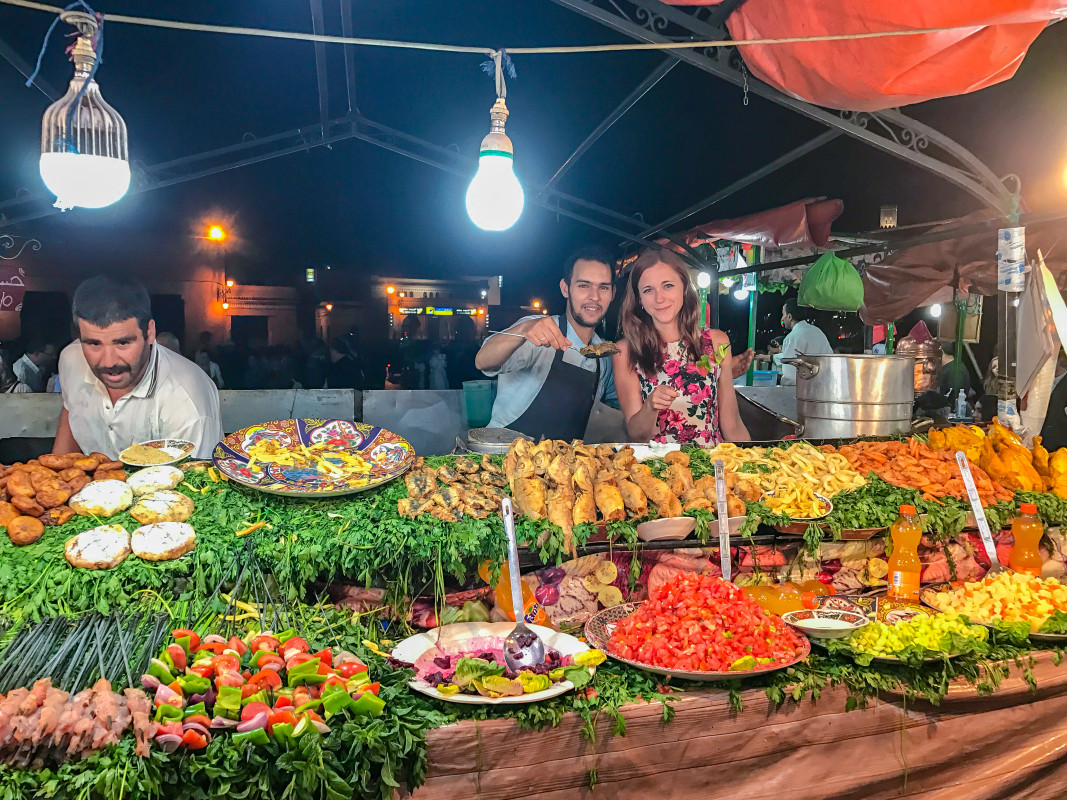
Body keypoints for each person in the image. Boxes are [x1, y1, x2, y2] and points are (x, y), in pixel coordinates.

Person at [52, 275, 223, 459]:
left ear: (149, 332)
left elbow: (195, 484)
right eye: (94, 344)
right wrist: (53, 481)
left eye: (123, 343)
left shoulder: (187, 402)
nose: (108, 362)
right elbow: (71, 412)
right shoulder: (71, 360)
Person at [475, 245, 619, 440]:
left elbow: (622, 405)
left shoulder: (604, 358)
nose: (594, 296)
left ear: (612, 293)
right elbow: (483, 361)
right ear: (565, 288)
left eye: (603, 287)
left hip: (561, 467)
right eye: (584, 285)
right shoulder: (537, 330)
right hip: (502, 457)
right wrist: (522, 331)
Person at [614, 250, 750, 444]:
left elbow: (732, 423)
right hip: (657, 469)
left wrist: (752, 463)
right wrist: (650, 406)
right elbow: (636, 435)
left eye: (668, 286)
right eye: (648, 290)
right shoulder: (626, 351)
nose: (659, 298)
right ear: (639, 299)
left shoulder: (717, 342)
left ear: (684, 288)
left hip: (711, 467)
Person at [772, 298, 833, 386]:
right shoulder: (818, 332)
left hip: (804, 392)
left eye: (783, 314)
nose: (782, 318)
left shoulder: (792, 337)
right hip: (824, 387)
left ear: (789, 316)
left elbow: (790, 376)